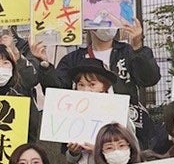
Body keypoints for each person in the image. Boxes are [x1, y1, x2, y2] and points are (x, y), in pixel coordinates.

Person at [57, 19, 163, 147]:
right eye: (101, 19)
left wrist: (138, 47)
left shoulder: (127, 52)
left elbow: (150, 79)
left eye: (111, 19)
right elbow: (57, 92)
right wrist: (44, 66)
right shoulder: (73, 59)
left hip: (128, 129)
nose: (107, 24)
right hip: (86, 131)